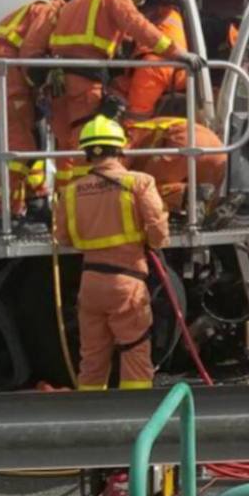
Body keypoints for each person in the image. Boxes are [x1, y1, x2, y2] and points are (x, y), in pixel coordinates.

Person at [20, 0, 199, 182]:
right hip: (85, 84)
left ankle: (65, 203)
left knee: (66, 149)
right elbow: (141, 28)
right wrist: (179, 53)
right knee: (89, 144)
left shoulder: (77, 2)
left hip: (58, 83)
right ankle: (88, 200)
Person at [52, 115, 169, 391]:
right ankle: (136, 415)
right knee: (135, 351)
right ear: (120, 148)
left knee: (92, 359)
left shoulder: (70, 192)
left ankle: (91, 420)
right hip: (126, 285)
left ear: (86, 151)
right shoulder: (139, 182)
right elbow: (159, 234)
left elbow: (62, 237)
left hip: (90, 285)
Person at [117, 0, 227, 211]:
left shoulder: (128, 136)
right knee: (205, 203)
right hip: (215, 146)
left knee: (146, 189)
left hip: (155, 67)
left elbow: (121, 159)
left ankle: (188, 196)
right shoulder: (170, 13)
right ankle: (211, 207)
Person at [0, 0, 73, 222]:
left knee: (33, 142)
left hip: (7, 70)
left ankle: (36, 201)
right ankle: (8, 211)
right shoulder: (49, 11)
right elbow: (32, 55)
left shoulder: (43, 13)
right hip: (5, 72)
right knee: (22, 148)